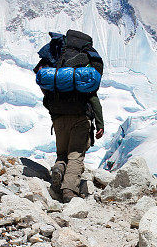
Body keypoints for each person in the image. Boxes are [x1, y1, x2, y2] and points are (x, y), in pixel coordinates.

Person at [34, 29, 105, 202]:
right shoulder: (83, 71)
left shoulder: (57, 62)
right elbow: (93, 98)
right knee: (75, 155)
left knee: (62, 154)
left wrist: (54, 112)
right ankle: (69, 191)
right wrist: (100, 123)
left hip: (59, 117)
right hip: (81, 118)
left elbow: (47, 93)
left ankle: (58, 169)